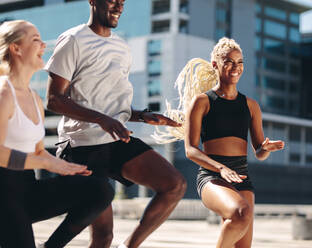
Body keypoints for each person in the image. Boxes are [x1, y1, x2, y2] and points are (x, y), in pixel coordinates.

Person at [45, 0, 187, 248]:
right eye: (113, 0)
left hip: (116, 140)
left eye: (122, 2)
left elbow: (111, 106)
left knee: (174, 184)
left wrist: (143, 116)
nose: (119, 6)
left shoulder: (122, 47)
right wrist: (102, 119)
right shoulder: (73, 40)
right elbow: (54, 100)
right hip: (82, 145)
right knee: (103, 236)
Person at [153, 38, 285, 248]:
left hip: (242, 176)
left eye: (240, 62)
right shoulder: (202, 102)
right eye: (229, 62)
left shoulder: (251, 105)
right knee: (241, 212)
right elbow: (190, 150)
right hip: (212, 176)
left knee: (242, 243)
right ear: (215, 64)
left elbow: (259, 152)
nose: (236, 67)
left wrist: (265, 149)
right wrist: (221, 168)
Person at [0, 20, 114, 248]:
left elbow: (39, 151)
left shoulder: (34, 98)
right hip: (2, 195)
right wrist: (50, 165)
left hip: (25, 190)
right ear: (16, 48)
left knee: (98, 189)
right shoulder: (3, 93)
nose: (43, 45)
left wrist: (68, 168)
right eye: (35, 39)